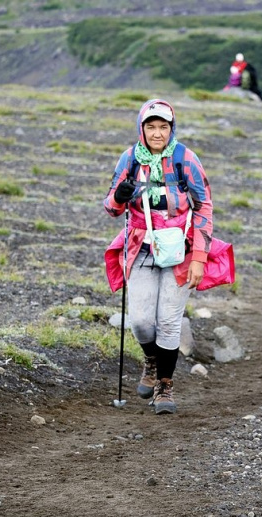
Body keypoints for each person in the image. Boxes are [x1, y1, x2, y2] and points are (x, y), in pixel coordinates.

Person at [103, 99, 214, 415]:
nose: (156, 133)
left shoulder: (186, 160)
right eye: (150, 126)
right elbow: (111, 207)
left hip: (179, 249)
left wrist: (199, 257)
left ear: (171, 128)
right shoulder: (129, 159)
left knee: (168, 320)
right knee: (139, 321)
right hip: (140, 246)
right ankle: (151, 361)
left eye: (163, 127)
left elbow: (203, 206)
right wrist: (119, 197)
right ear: (142, 128)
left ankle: (164, 386)